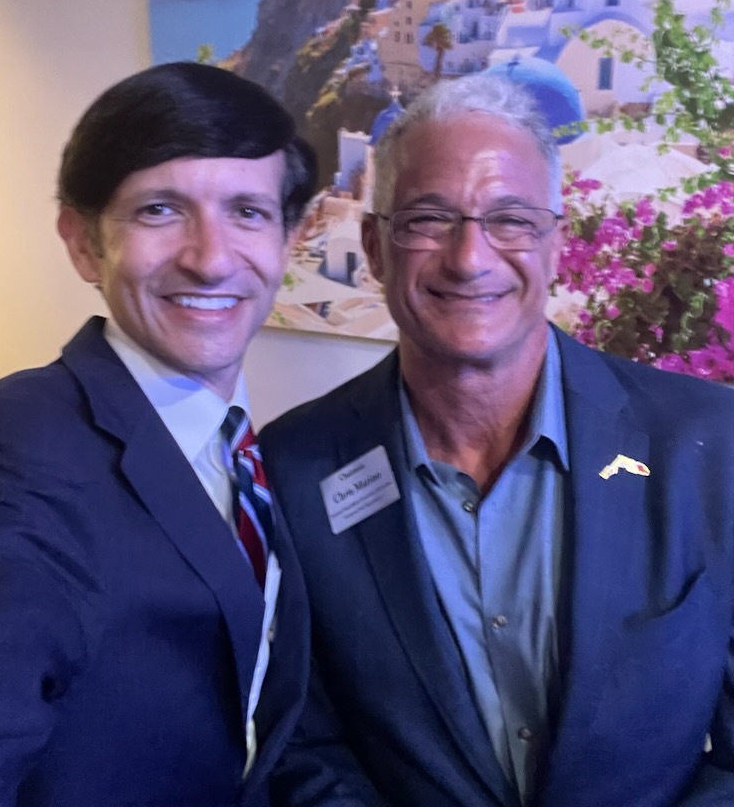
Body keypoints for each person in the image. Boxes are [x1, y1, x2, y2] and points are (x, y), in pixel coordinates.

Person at [261, 73, 734, 807]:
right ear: (375, 248)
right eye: (428, 219)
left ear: (554, 245)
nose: (469, 258)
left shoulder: (708, 446)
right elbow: (305, 745)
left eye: (510, 219)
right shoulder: (296, 468)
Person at [0, 62, 317, 807]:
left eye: (247, 212)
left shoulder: (251, 450)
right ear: (83, 243)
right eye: (160, 210)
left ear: (289, 238)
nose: (212, 257)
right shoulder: (14, 455)